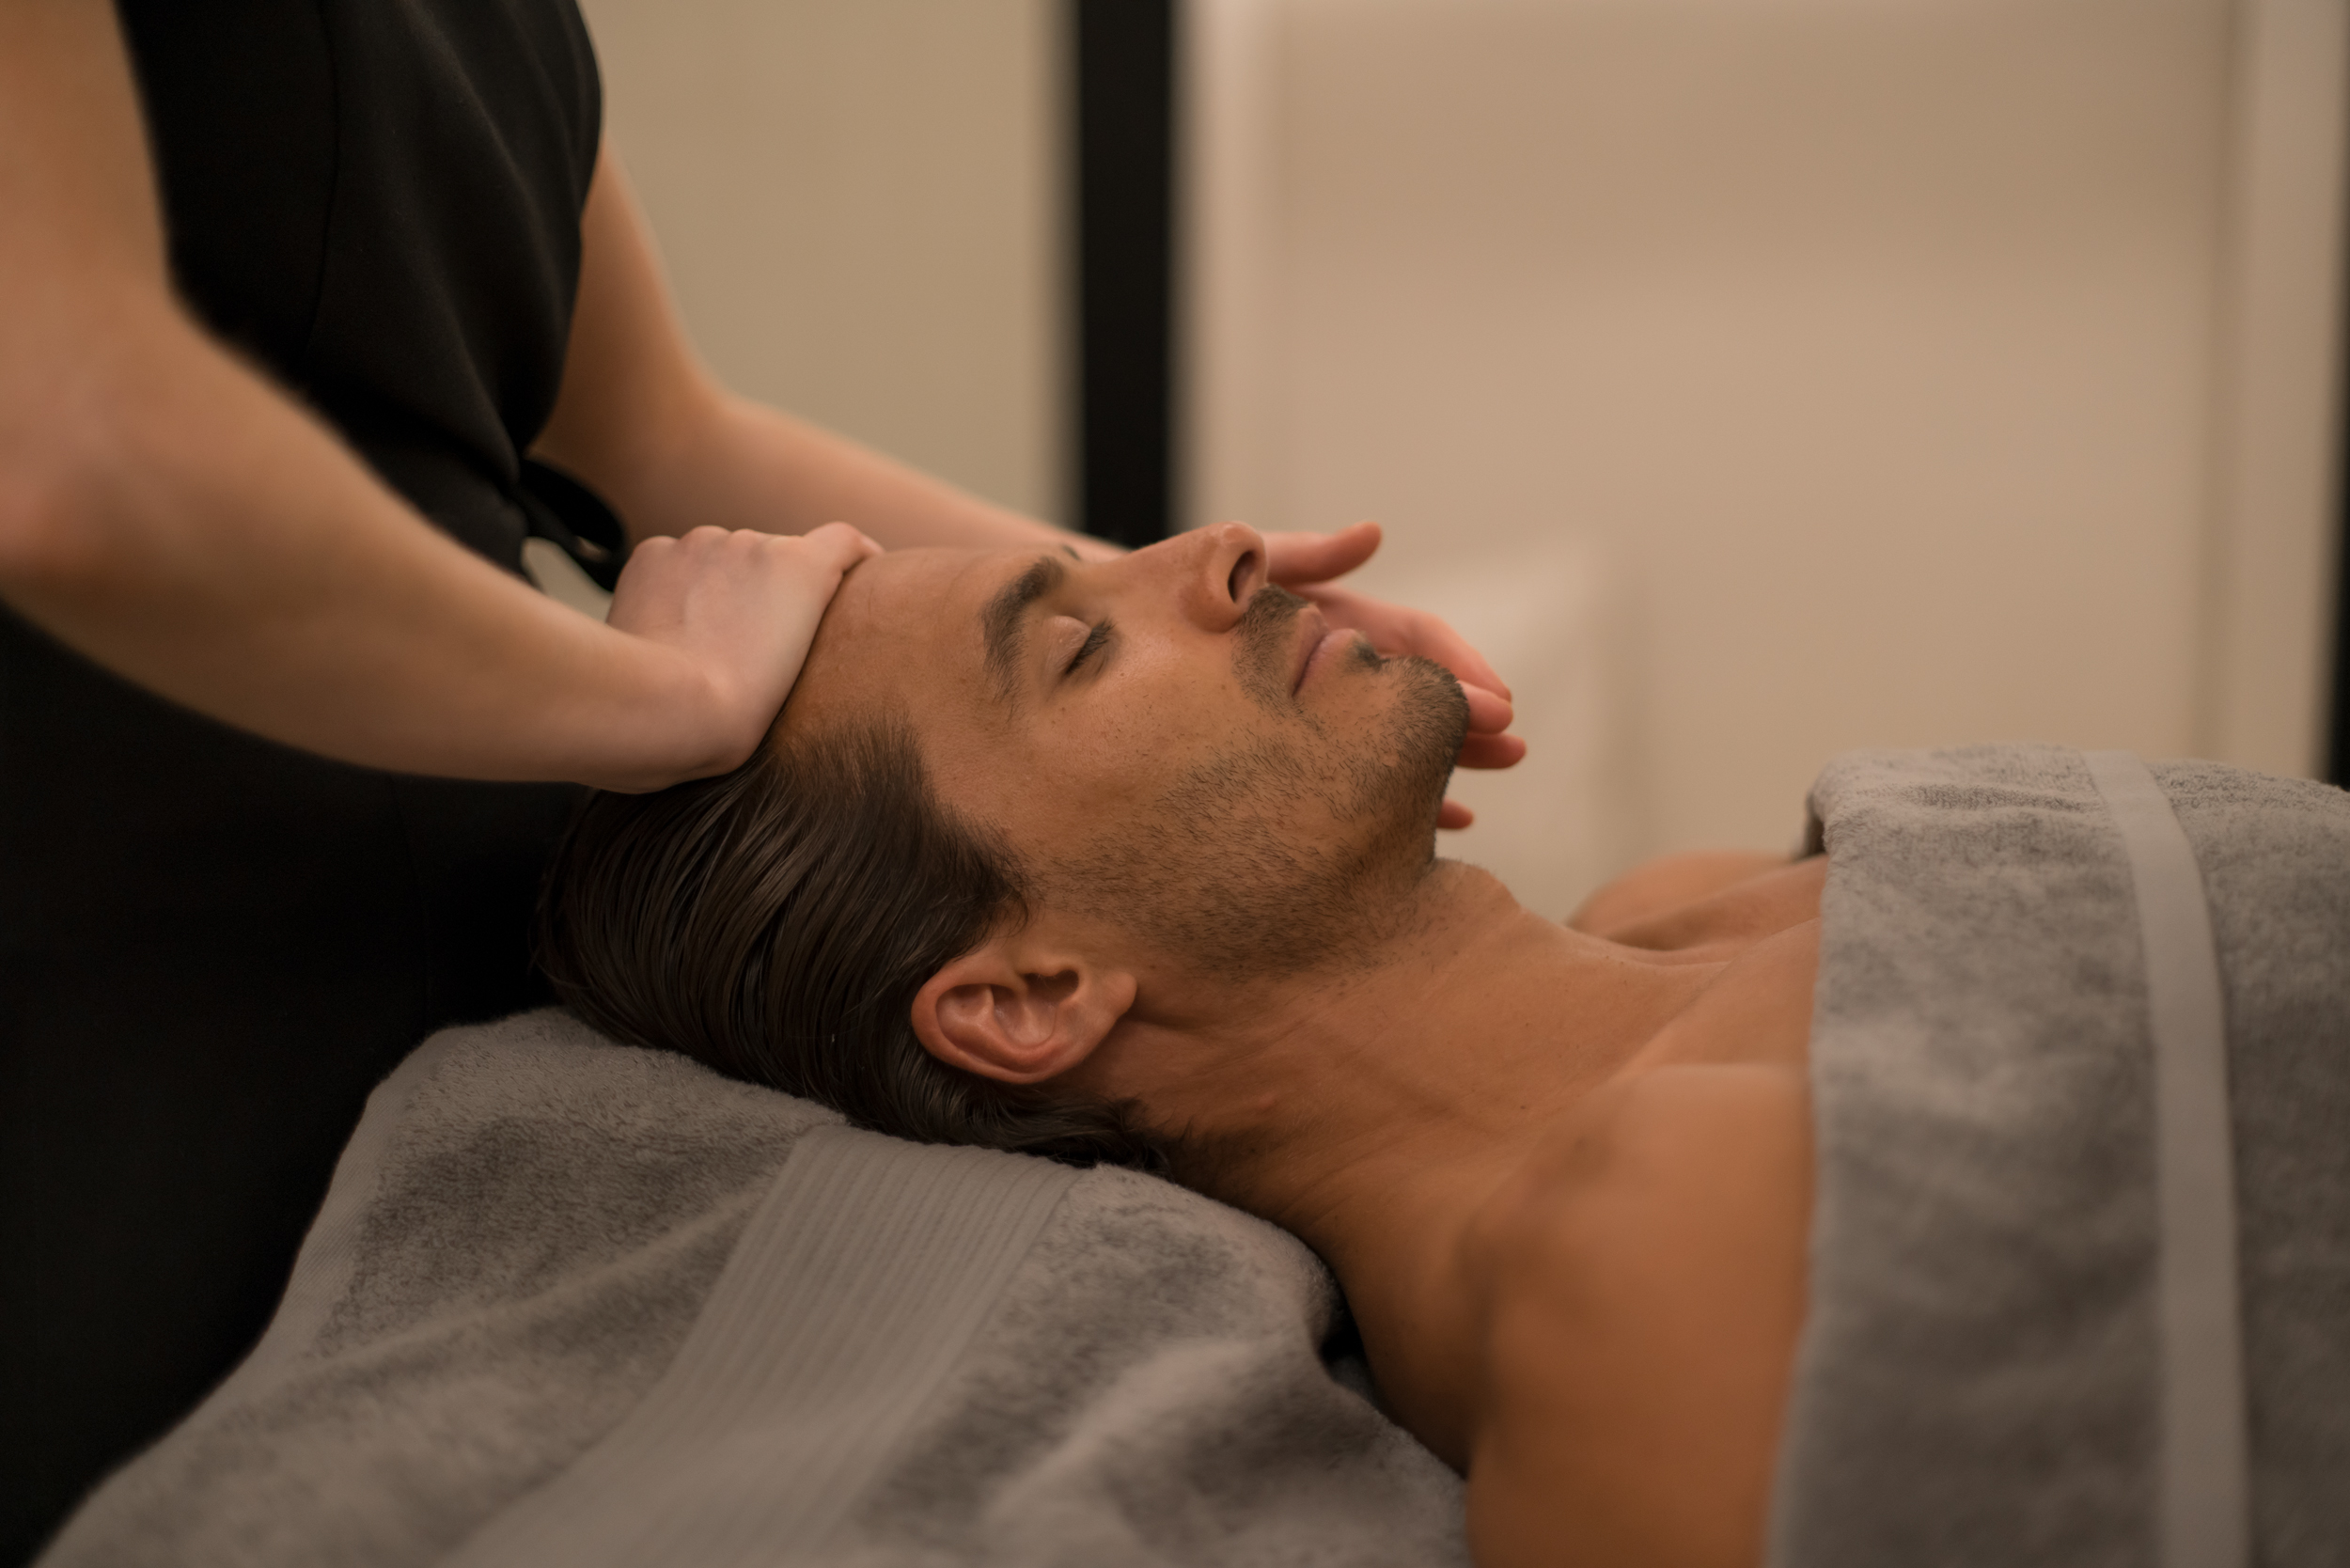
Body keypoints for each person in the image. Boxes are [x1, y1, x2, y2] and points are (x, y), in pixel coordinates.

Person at [0, 4, 1518, 1555]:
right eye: (1075, 649)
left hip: (482, 963)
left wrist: (1185, 627)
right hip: (113, 1010)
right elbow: (70, 466)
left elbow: (665, 435)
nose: (1238, 555)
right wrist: (652, 696)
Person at [543, 524, 1819, 1568]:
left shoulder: (1691, 899)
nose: (1229, 551)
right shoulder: (1653, 1245)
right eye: (1083, 644)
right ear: (1030, 998)